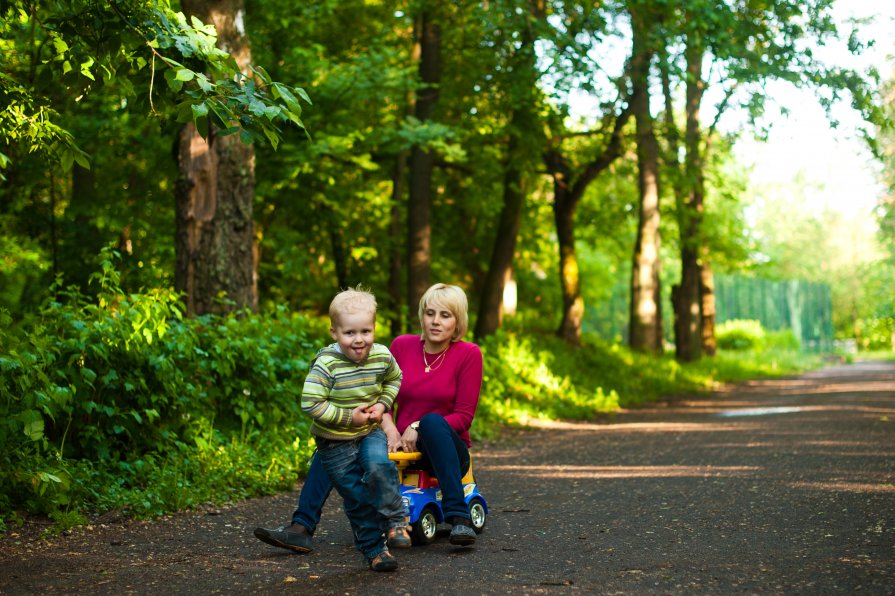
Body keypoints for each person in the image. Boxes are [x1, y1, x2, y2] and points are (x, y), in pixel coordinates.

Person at [254, 283, 483, 551]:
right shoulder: (402, 346)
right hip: (399, 447)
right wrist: (388, 427)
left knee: (432, 420)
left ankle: (459, 517)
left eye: (445, 315)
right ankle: (301, 527)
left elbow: (464, 417)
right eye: (430, 313)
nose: (435, 321)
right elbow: (381, 394)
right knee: (334, 440)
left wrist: (417, 425)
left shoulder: (468, 354)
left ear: (458, 320)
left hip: (445, 451)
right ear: (421, 315)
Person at [255, 286, 411, 572]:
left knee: (379, 467)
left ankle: (396, 523)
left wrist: (382, 405)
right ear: (334, 333)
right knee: (356, 495)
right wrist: (346, 417)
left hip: (369, 433)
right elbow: (310, 404)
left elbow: (394, 379)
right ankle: (376, 551)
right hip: (334, 443)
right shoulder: (327, 364)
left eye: (366, 331)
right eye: (350, 333)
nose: (359, 340)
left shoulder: (381, 356)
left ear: (374, 328)